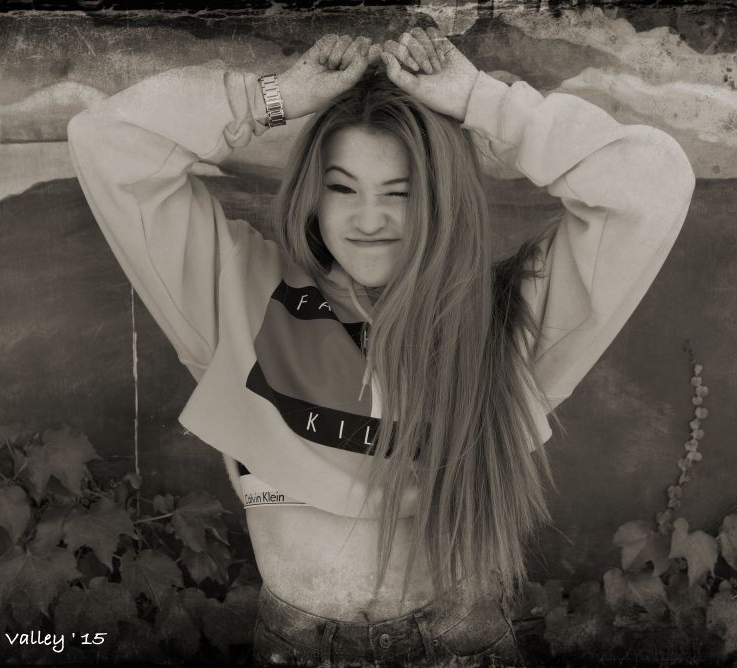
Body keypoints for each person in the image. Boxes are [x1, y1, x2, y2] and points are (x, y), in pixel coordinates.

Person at [67, 27, 695, 667]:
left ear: (442, 198)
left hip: (464, 647)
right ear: (313, 195)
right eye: (343, 188)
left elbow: (651, 182)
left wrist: (479, 101)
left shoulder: (506, 316)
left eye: (402, 193)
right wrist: (274, 97)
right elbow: (107, 141)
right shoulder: (239, 294)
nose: (369, 220)